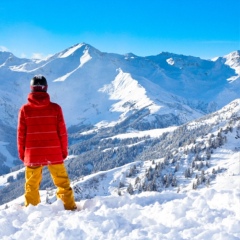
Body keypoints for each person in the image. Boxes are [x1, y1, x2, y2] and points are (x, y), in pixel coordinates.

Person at [17, 75, 77, 210]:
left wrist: (23, 154)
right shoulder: (55, 108)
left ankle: (32, 211)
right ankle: (68, 208)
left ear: (31, 89)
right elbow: (62, 133)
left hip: (32, 153)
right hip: (54, 151)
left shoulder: (25, 109)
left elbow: (21, 135)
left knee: (31, 185)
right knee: (62, 182)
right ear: (46, 88)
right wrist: (63, 151)